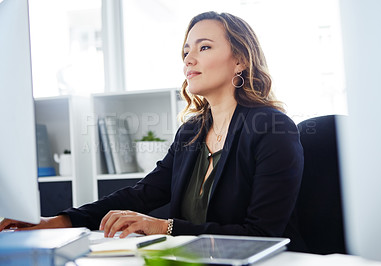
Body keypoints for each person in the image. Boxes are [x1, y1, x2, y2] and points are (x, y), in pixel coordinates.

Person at [0, 11, 304, 250]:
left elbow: (262, 234)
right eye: (186, 51)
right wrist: (58, 221)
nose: (189, 59)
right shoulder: (191, 133)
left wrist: (163, 226)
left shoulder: (272, 130)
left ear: (239, 60)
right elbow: (142, 195)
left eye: (205, 47)